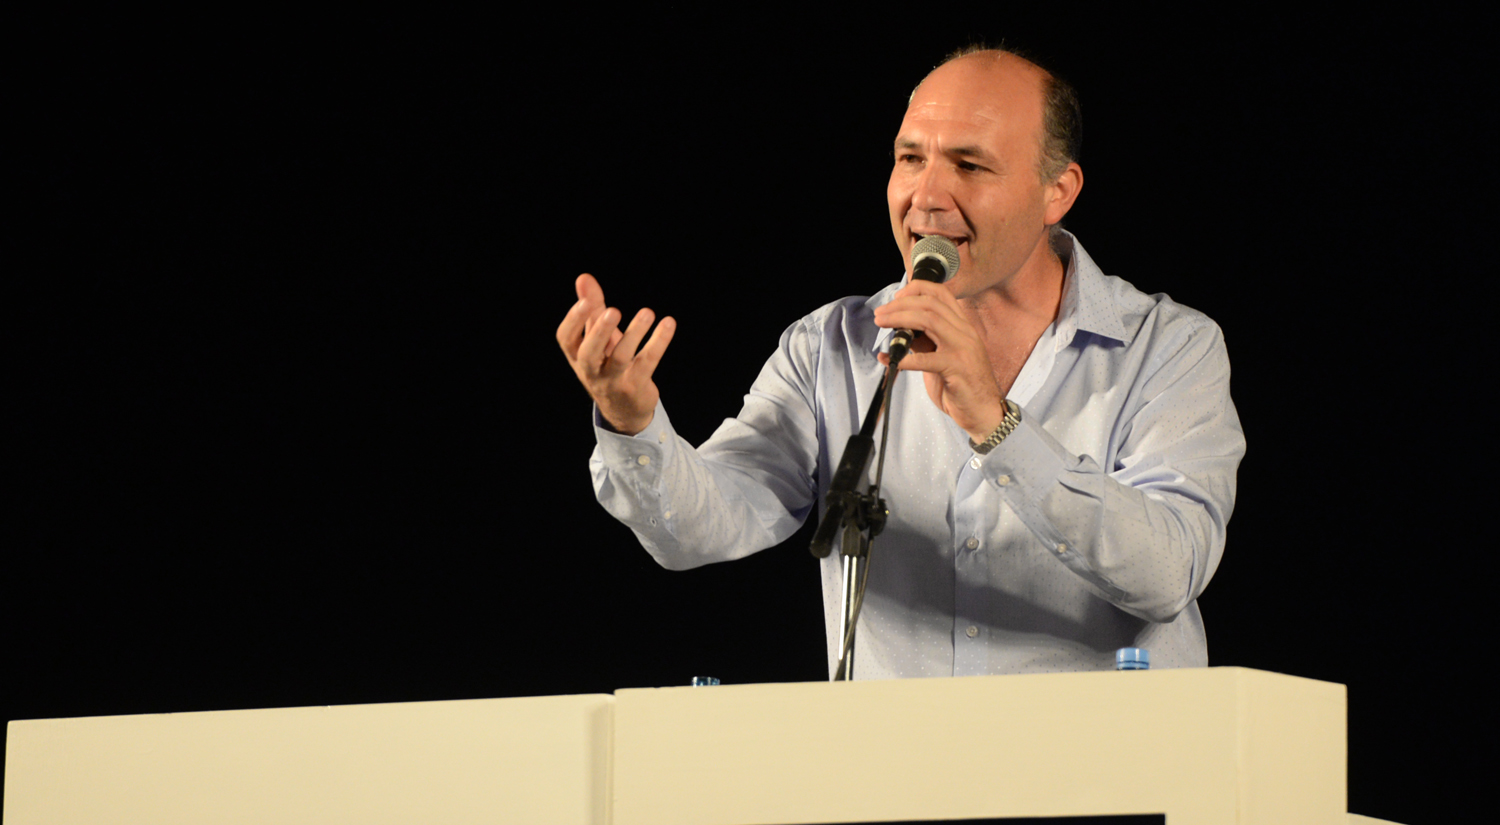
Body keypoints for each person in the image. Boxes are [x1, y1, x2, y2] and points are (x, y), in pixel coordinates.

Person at [556, 47, 1245, 679]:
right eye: (911, 158)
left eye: (969, 166)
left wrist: (997, 425)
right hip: (898, 767)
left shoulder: (1168, 347)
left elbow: (1169, 571)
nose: (927, 196)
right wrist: (632, 424)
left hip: (1106, 767)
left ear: (1056, 191)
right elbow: (701, 527)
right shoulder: (832, 346)